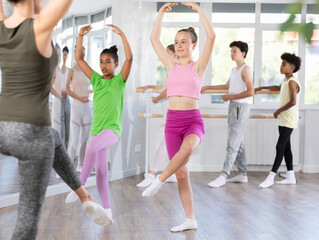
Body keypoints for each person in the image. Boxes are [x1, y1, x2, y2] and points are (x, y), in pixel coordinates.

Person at [0, 1, 114, 239]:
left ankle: (84, 195)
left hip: (3, 127)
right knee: (26, 222)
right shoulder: (39, 28)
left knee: (54, 137)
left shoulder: (2, 25)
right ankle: (84, 195)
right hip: (31, 133)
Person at [142, 2, 215, 232]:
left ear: (193, 45)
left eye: (184, 41)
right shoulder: (171, 65)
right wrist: (161, 13)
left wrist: (200, 11)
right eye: (176, 41)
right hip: (172, 122)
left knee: (187, 150)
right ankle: (190, 219)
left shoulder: (198, 67)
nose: (179, 45)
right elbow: (154, 40)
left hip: (193, 120)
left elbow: (212, 37)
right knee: (182, 174)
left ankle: (159, 179)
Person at [65, 24, 133, 225]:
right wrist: (79, 36)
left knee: (92, 147)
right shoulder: (96, 79)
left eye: (108, 62)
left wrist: (122, 35)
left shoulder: (120, 81)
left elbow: (130, 58)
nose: (104, 65)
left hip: (112, 130)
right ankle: (108, 210)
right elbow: (78, 59)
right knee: (102, 172)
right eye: (101, 62)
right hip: (96, 130)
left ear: (116, 64)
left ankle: (80, 186)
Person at [202, 41, 254, 188]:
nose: (232, 54)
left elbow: (250, 92)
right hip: (233, 107)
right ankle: (242, 174)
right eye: (231, 51)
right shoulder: (234, 69)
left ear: (243, 53)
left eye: (234, 51)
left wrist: (229, 97)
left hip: (240, 108)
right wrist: (208, 87)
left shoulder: (246, 69)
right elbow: (227, 87)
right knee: (239, 142)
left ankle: (223, 175)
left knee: (232, 144)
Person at [255, 52, 301, 189]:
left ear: (291, 68)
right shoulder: (286, 81)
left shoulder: (292, 82)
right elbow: (278, 87)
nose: (281, 66)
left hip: (288, 119)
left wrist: (278, 110)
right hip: (283, 119)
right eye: (281, 64)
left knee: (280, 146)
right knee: (286, 147)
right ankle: (291, 176)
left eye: (284, 64)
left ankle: (271, 177)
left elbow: (293, 101)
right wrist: (261, 87)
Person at [136, 44, 177, 188]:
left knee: (162, 143)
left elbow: (170, 90)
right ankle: (172, 173)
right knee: (169, 145)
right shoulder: (170, 69)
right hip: (168, 112)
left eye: (167, 54)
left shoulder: (175, 69)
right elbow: (165, 87)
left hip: (172, 112)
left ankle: (152, 174)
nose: (163, 56)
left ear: (175, 55)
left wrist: (157, 98)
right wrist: (151, 86)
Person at [66, 46, 92, 173]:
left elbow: (95, 85)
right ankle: (68, 166)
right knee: (75, 139)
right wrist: (79, 98)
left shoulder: (88, 70)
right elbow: (67, 89)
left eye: (84, 52)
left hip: (87, 108)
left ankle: (80, 165)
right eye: (80, 52)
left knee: (84, 139)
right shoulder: (71, 70)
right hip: (76, 106)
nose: (83, 55)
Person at [51, 44, 63, 135]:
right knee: (56, 131)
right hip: (57, 103)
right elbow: (49, 88)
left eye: (60, 54)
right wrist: (59, 96)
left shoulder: (61, 69)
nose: (59, 57)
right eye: (57, 54)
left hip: (64, 103)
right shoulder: (53, 69)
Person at [60, 46, 71, 149]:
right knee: (62, 130)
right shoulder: (58, 70)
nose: (64, 56)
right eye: (63, 55)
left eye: (66, 55)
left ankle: (66, 151)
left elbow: (72, 86)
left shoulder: (69, 71)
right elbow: (56, 85)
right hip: (60, 100)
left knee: (68, 129)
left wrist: (68, 92)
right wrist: (61, 92)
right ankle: (61, 151)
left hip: (68, 100)